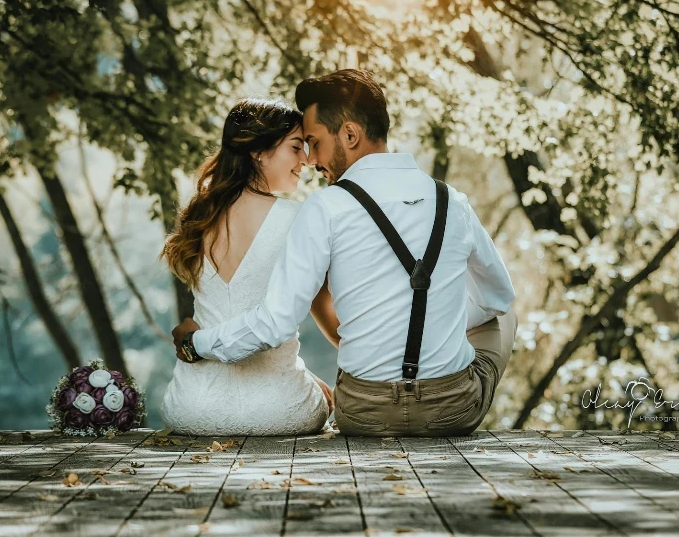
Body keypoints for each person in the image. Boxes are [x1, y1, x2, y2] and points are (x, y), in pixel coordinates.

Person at [172, 70, 517, 436]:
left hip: (363, 413)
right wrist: (439, 322)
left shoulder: (323, 208)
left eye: (314, 142)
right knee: (502, 314)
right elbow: (498, 297)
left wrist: (197, 343)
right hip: (452, 411)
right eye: (301, 145)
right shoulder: (453, 202)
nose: (311, 159)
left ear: (350, 134)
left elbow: (276, 321)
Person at [159, 98, 333, 436]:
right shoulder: (298, 218)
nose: (307, 160)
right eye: (296, 147)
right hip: (280, 411)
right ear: (258, 151)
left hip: (191, 408)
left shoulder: (198, 217)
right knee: (327, 398)